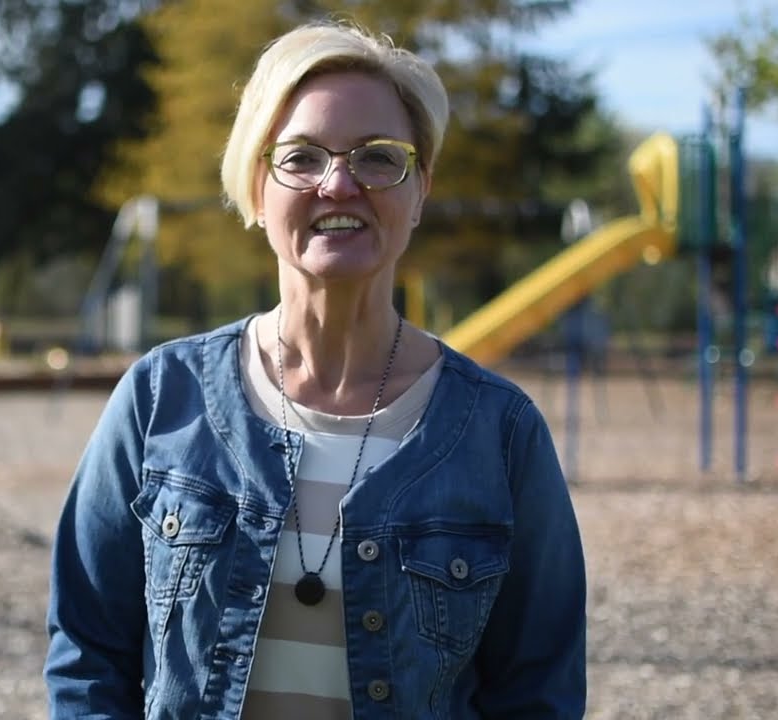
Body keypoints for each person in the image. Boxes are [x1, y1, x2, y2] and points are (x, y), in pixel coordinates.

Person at [45, 20, 586, 719]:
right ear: (257, 188)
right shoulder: (159, 399)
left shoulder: (500, 434)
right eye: (301, 157)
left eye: (378, 158)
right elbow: (88, 652)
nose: (340, 183)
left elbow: (539, 690)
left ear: (419, 189)